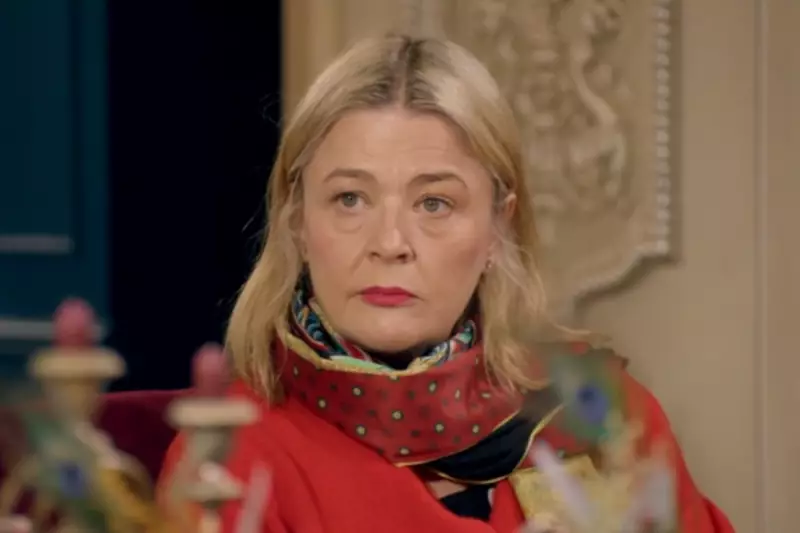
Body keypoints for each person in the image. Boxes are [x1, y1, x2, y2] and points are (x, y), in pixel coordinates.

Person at [159, 34, 734, 533]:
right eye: (350, 199)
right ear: (298, 225)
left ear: (497, 229)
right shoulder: (230, 452)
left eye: (434, 203)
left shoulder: (601, 414)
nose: (390, 242)